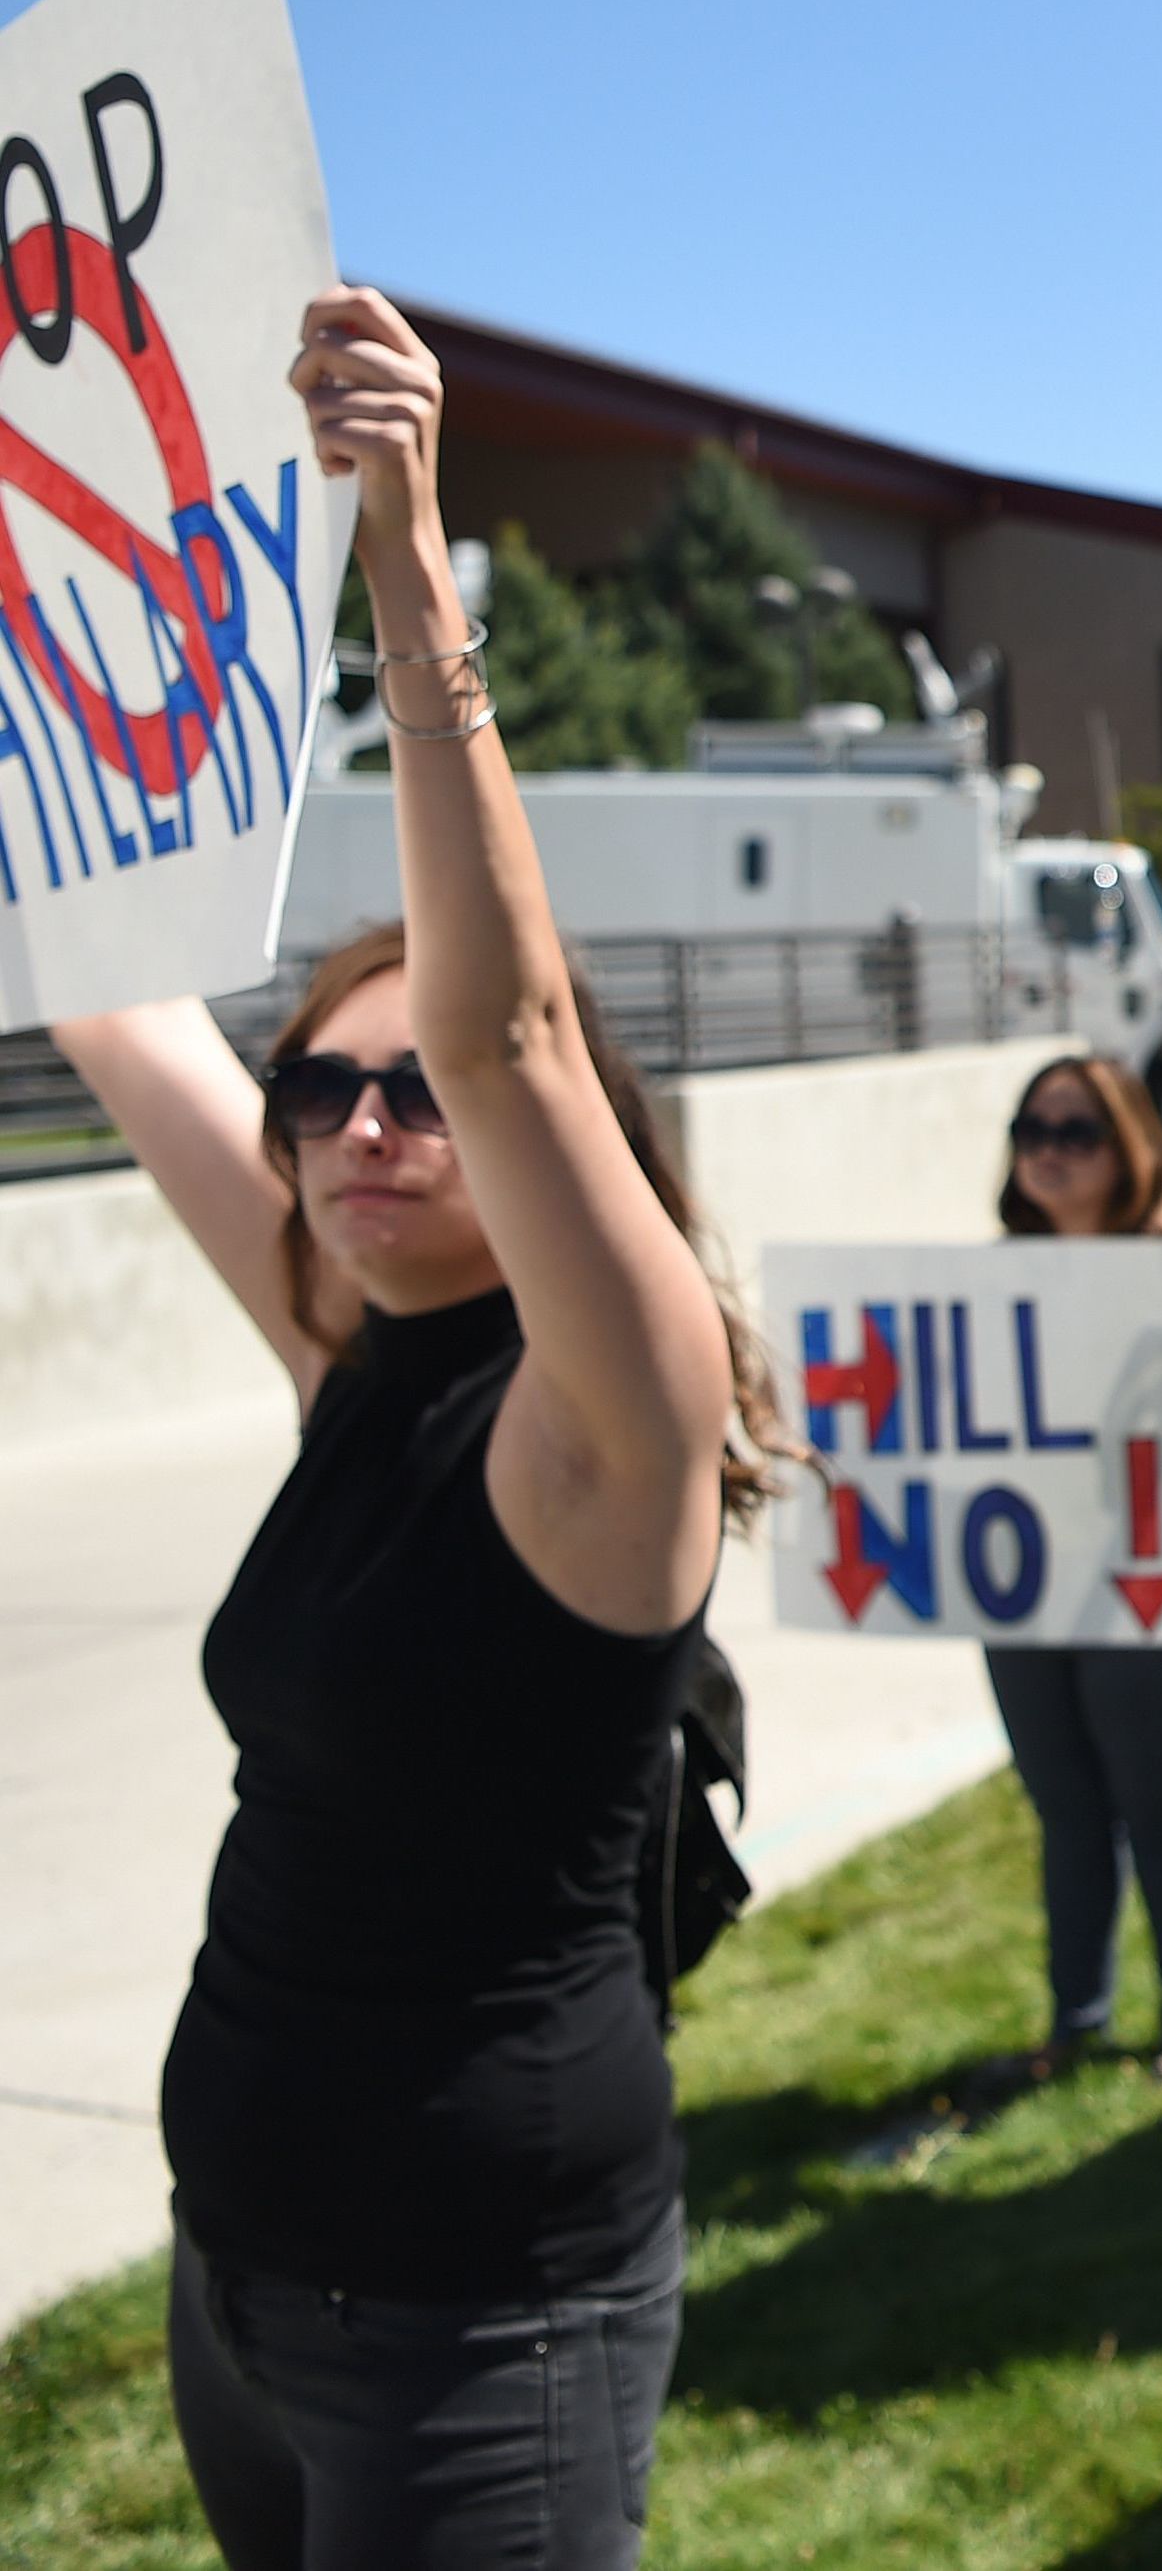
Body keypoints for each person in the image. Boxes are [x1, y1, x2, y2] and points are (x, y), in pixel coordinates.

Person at [49, 286, 763, 2569]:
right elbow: (91, 969)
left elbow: (515, 1023)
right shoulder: (340, 1356)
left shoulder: (611, 1430)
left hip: (480, 2328)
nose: (365, 1122)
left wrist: (403, 541)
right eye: (317, 1089)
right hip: (238, 2274)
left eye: (411, 1088)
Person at [988, 1054, 1162, 2081]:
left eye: (1078, 1133)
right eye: (1034, 1130)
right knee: (1065, 1810)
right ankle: (1077, 2020)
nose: (1051, 1153)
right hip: (1027, 1582)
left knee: (1159, 1803)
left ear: (1130, 1148)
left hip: (1153, 1576)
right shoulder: (994, 1276)